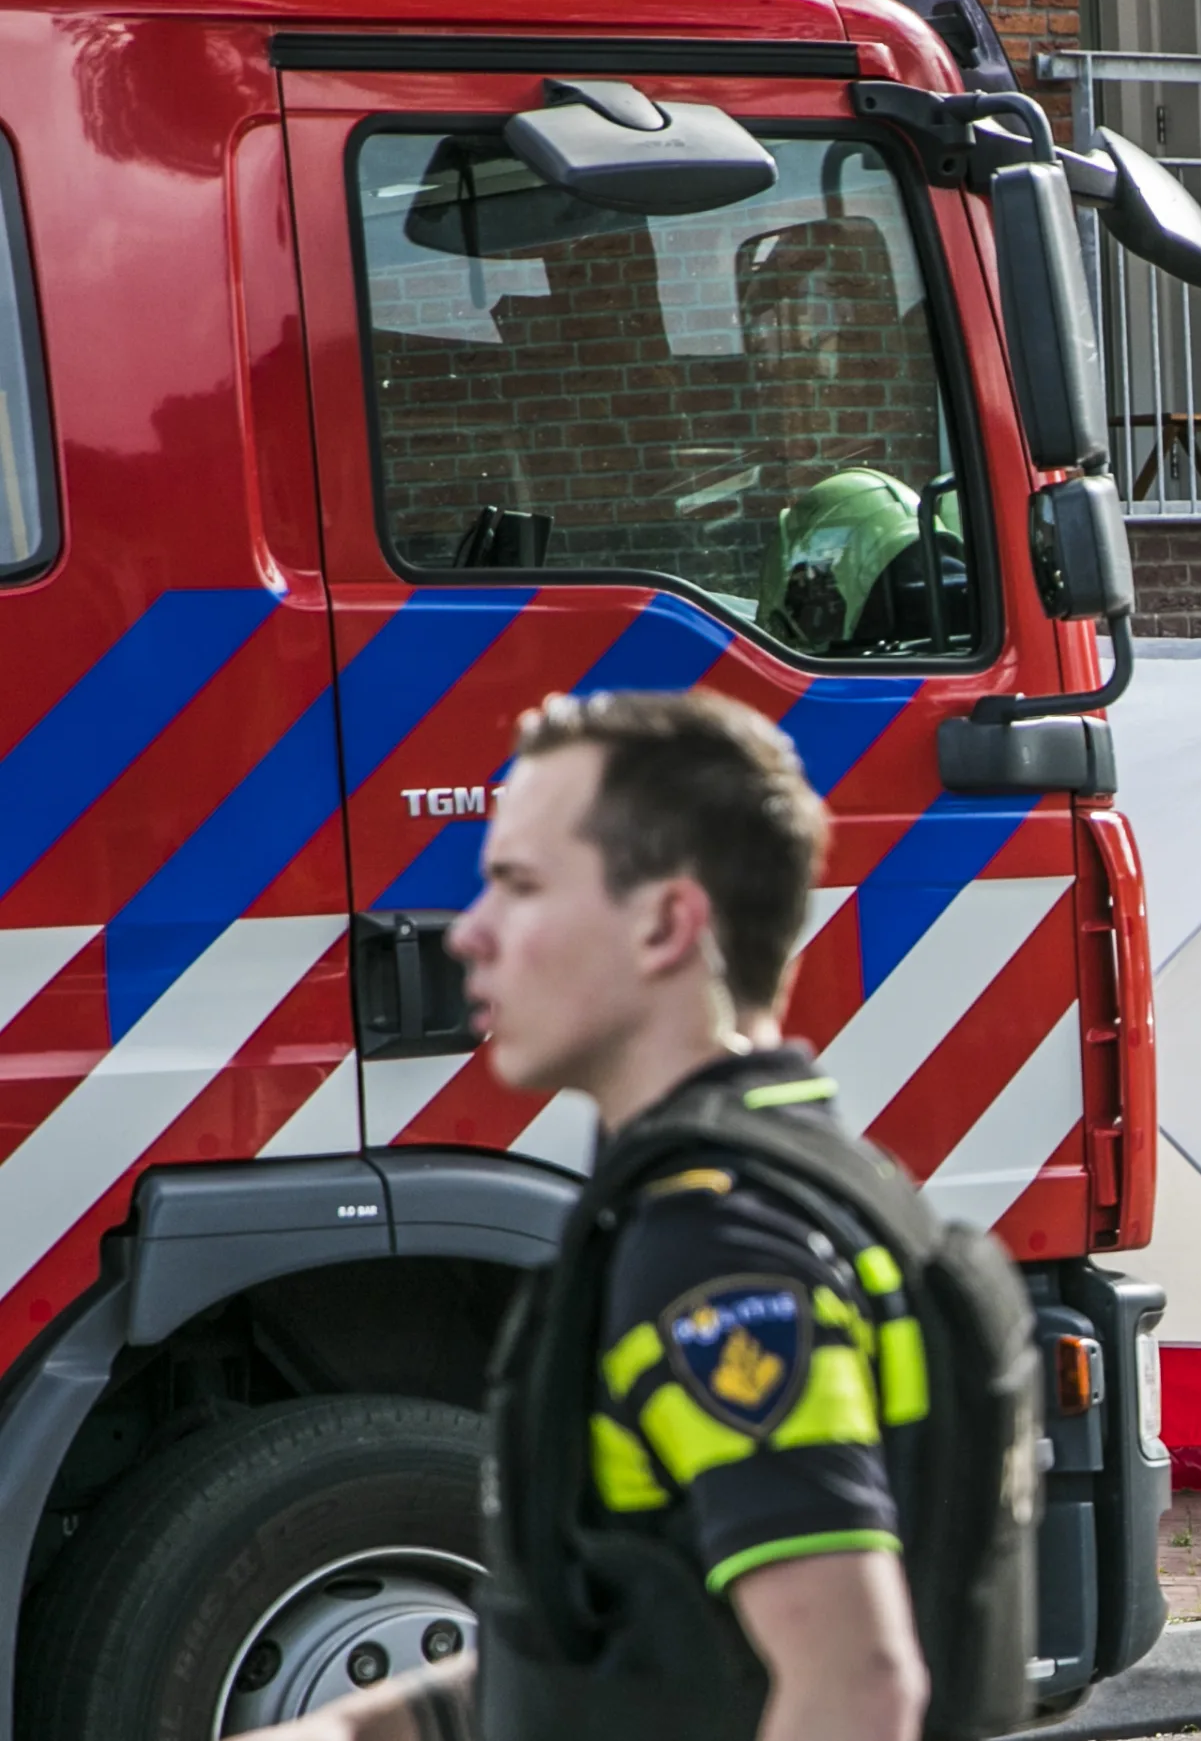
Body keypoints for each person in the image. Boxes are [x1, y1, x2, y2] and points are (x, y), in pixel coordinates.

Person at [258, 690, 926, 1741]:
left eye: (518, 887)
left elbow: (855, 1686)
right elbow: (643, 1661)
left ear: (665, 922)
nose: (468, 933)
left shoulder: (717, 1243)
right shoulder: (810, 1183)